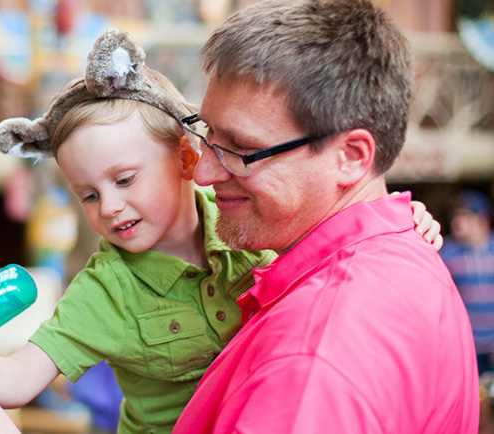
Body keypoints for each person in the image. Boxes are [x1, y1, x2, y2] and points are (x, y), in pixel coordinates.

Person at [0, 26, 445, 433]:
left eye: (126, 179)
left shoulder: (244, 225)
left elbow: (336, 228)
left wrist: (403, 219)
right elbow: (20, 372)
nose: (109, 206)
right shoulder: (106, 289)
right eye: (88, 193)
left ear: (185, 158)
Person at [171, 0, 478, 431]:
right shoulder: (400, 251)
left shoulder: (313, 357)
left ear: (351, 156)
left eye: (240, 148)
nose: (203, 173)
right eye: (209, 133)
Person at [440, 189, 494, 375]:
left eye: (463, 215)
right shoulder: (445, 253)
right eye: (455, 215)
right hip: (465, 346)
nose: (456, 222)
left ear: (482, 220)